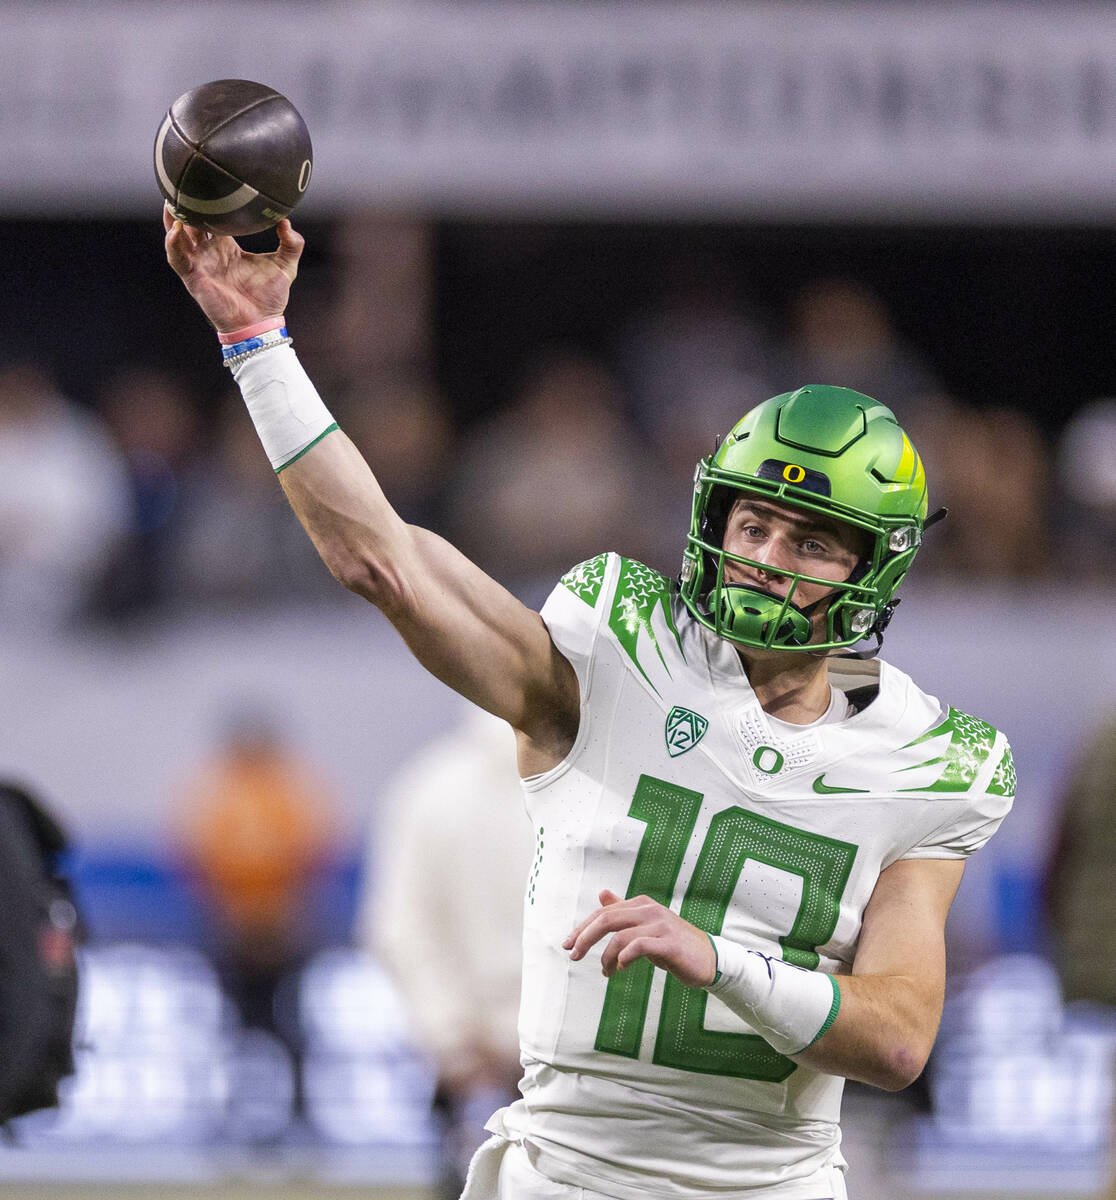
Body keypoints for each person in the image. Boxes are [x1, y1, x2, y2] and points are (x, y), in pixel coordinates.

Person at [163, 208, 1015, 1200]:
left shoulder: (923, 754)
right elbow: (385, 561)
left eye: (812, 542)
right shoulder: (614, 654)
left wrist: (721, 962)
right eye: (754, 523)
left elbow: (901, 1037)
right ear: (712, 520)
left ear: (874, 570)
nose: (768, 561)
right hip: (565, 1180)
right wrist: (257, 345)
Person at [356, 702, 533, 1198]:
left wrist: (450, 1037)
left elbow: (398, 929)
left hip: (474, 1062)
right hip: (568, 1059)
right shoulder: (593, 784)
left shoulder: (426, 786)